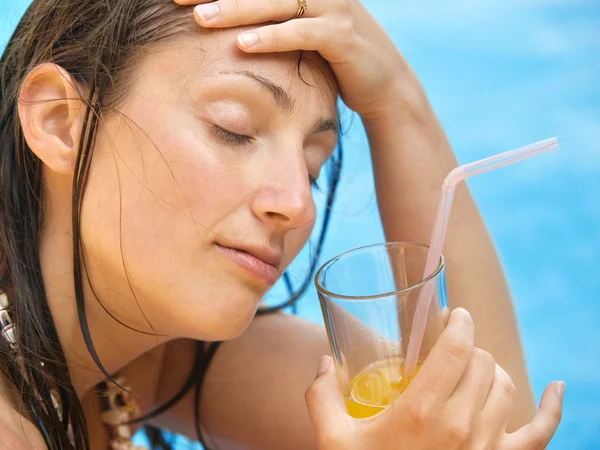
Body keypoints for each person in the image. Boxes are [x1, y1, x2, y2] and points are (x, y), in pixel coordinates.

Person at [0, 0, 564, 449]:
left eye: (313, 168)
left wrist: (397, 98)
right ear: (60, 123)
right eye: (234, 129)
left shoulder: (139, 358)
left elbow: (490, 424)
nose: (298, 205)